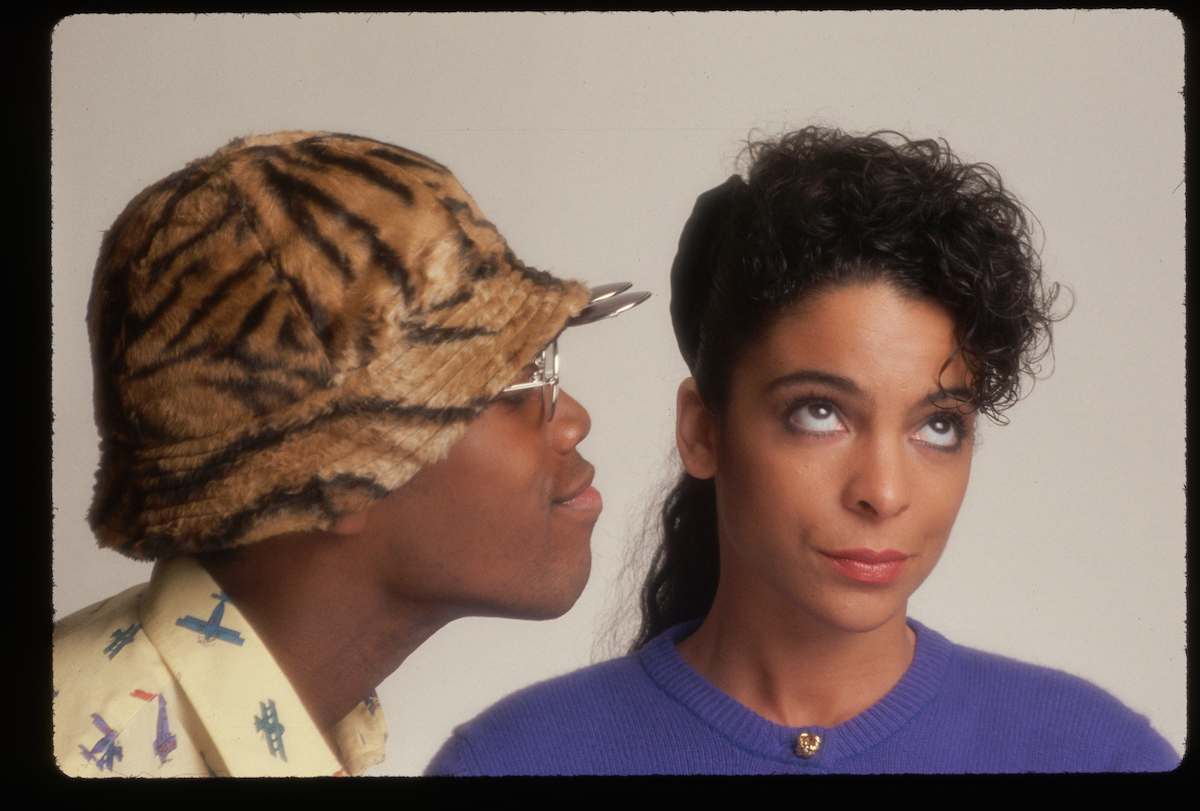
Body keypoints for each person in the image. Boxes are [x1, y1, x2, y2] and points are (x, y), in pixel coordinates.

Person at [425, 126, 1181, 775]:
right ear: (702, 430)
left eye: (938, 425)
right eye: (820, 412)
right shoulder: (514, 759)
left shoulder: (1098, 751)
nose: (884, 492)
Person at [52, 130, 647, 777]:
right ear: (332, 479)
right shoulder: (89, 758)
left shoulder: (316, 722)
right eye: (512, 379)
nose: (572, 421)